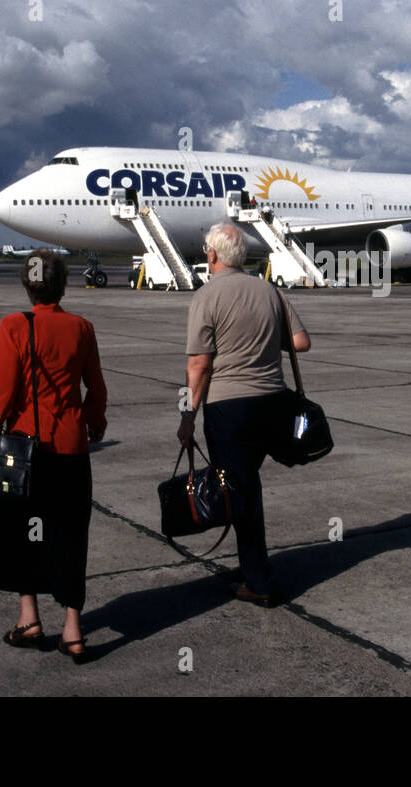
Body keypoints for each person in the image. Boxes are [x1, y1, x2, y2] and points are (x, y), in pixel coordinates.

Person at [0, 249, 106, 662]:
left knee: (21, 533)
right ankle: (73, 629)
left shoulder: (14, 325)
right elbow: (96, 387)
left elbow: (1, 390)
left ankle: (29, 619)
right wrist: (94, 422)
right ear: (63, 285)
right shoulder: (82, 328)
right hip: (70, 447)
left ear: (27, 285)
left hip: (24, 450)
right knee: (71, 535)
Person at [181, 222, 311, 605]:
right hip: (273, 402)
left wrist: (185, 416)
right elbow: (301, 342)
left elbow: (198, 366)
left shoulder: (206, 296)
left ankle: (258, 581)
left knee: (241, 494)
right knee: (246, 487)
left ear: (213, 254)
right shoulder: (269, 290)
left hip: (229, 408)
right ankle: (252, 567)